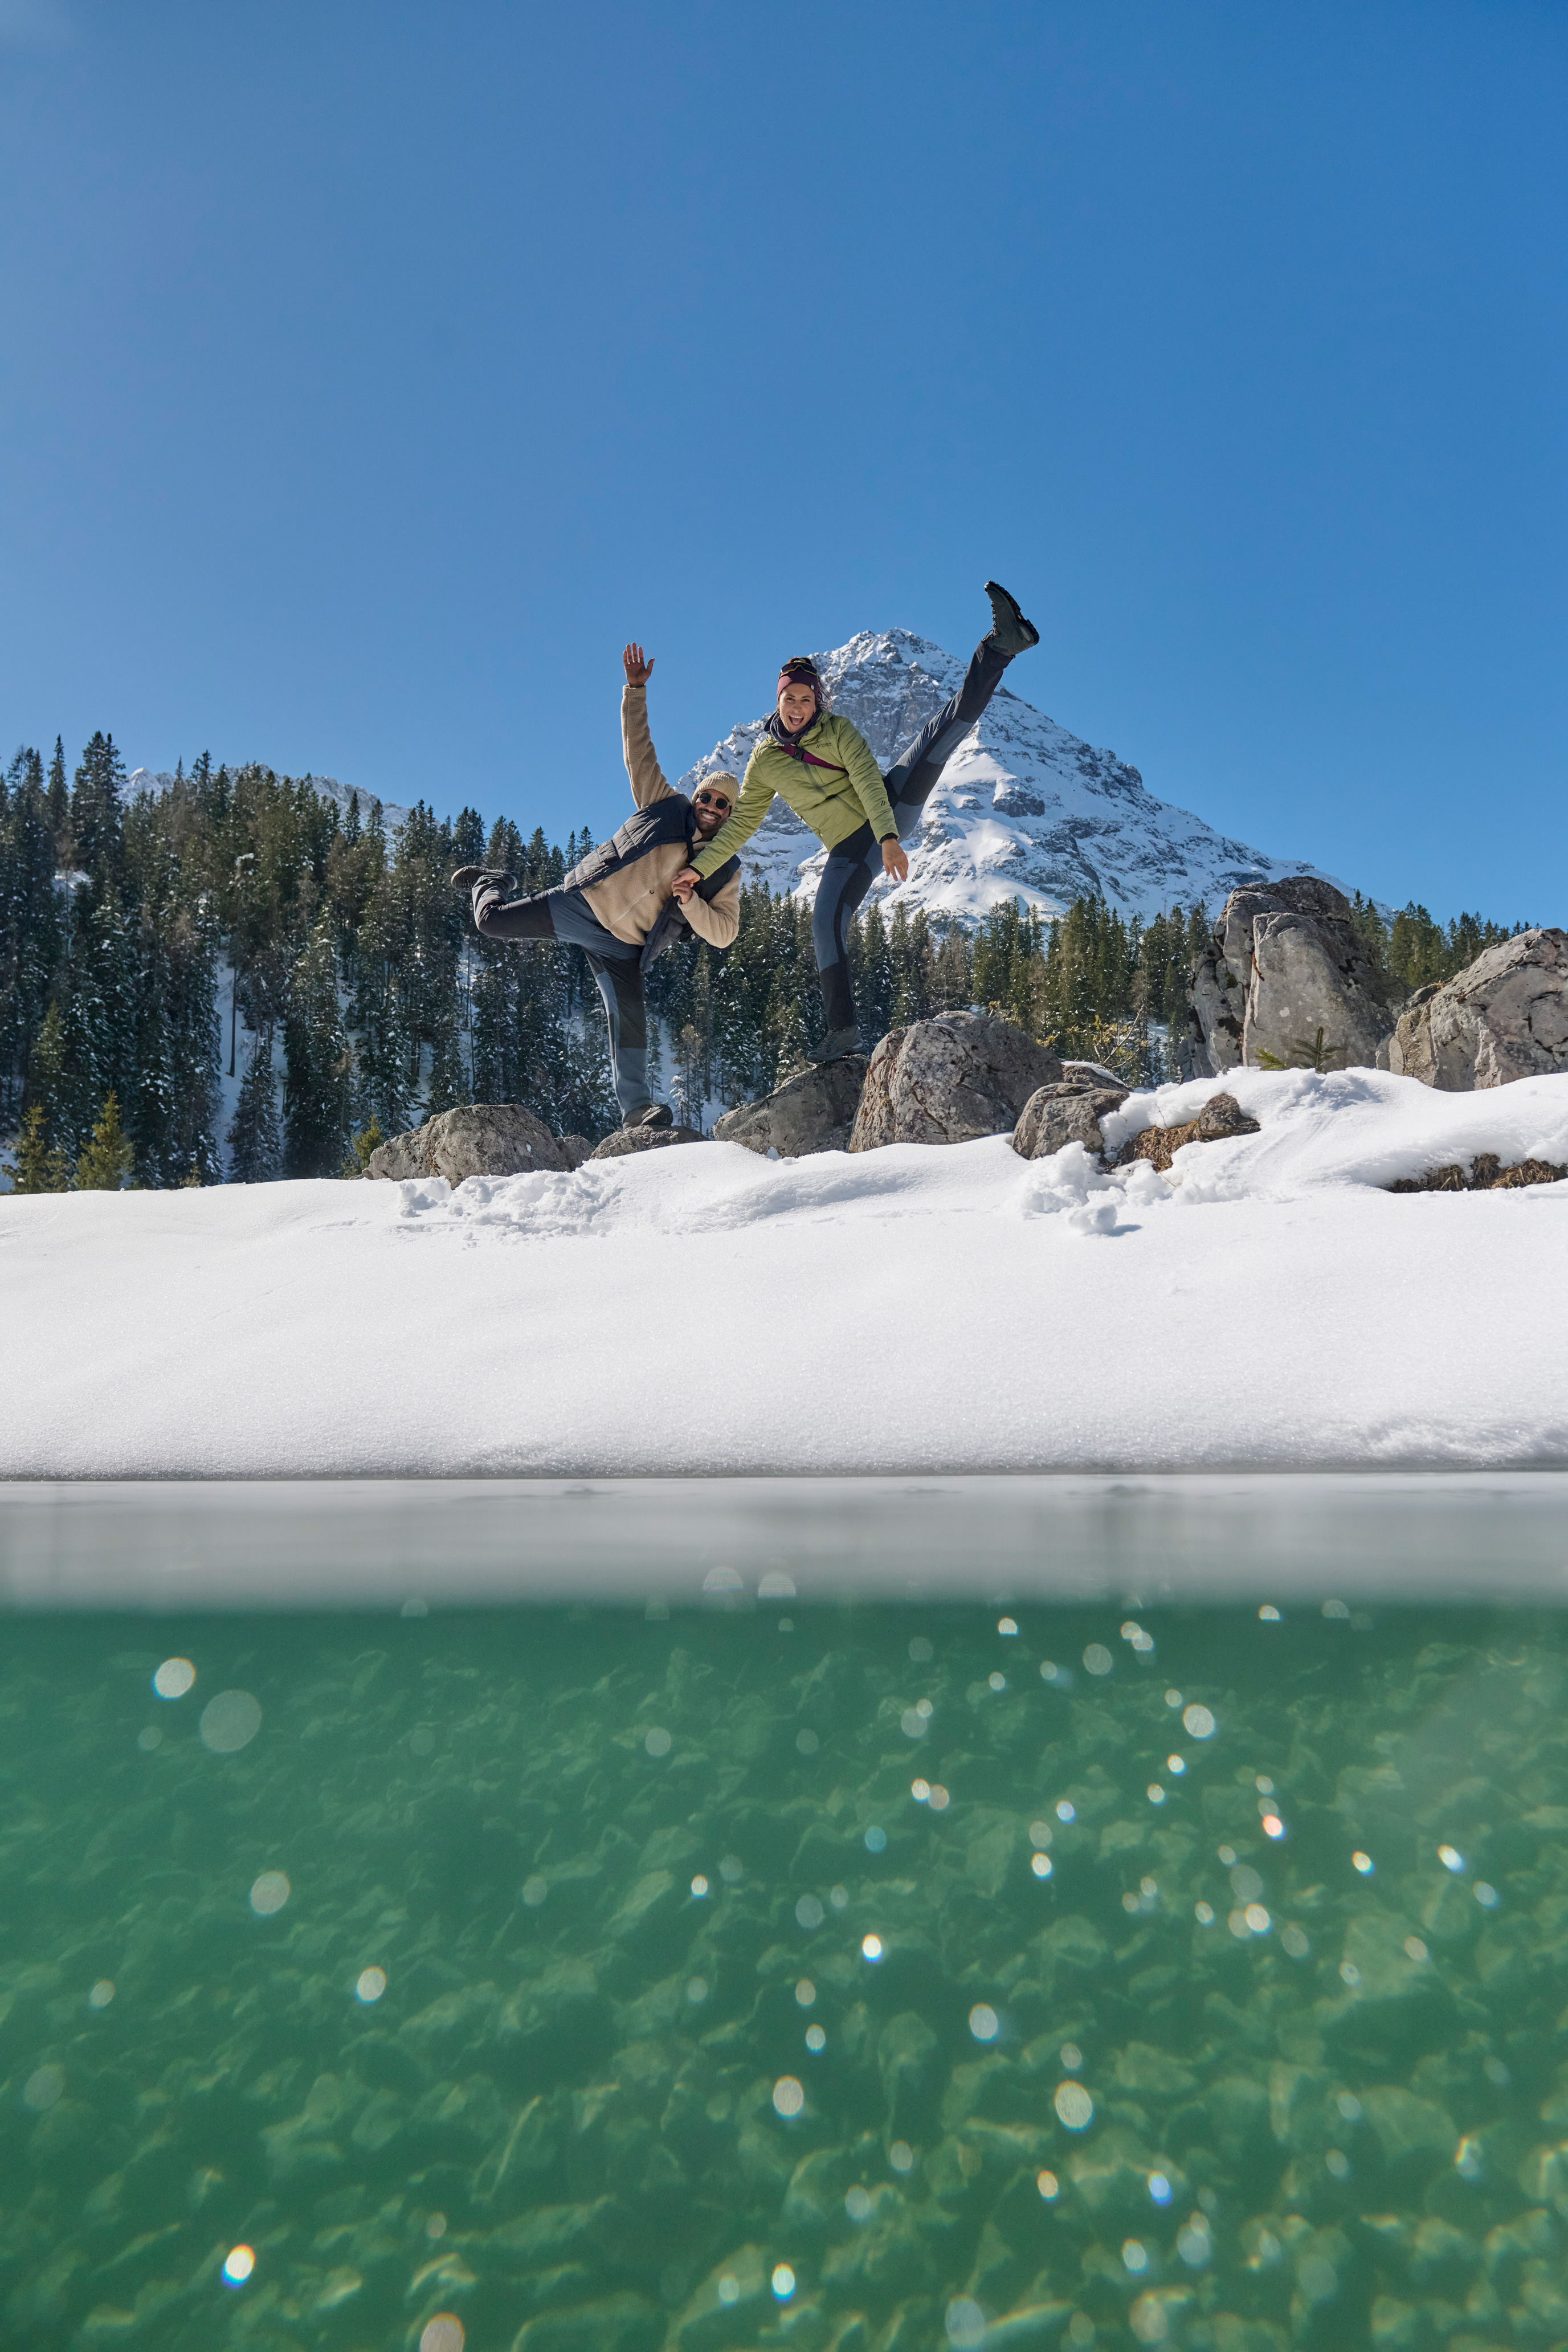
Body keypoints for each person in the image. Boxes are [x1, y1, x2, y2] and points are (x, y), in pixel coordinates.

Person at [673, 581, 1039, 1059]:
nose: (799, 707)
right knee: (825, 924)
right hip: (848, 848)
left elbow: (868, 779)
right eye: (791, 699)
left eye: (806, 699)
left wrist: (888, 837)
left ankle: (1002, 646)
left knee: (942, 732)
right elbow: (741, 825)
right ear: (778, 702)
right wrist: (698, 870)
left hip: (887, 805)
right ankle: (843, 1032)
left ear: (817, 700)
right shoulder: (763, 761)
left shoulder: (838, 730)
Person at [451, 645, 741, 1130]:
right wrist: (635, 691)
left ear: (731, 814)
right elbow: (638, 749)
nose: (712, 805)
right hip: (583, 905)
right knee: (490, 922)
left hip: (624, 947)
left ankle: (636, 1112)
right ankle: (492, 881)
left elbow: (726, 932)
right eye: (707, 796)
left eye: (723, 804)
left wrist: (691, 904)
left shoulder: (725, 870)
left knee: (630, 1024)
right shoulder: (663, 805)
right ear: (697, 797)